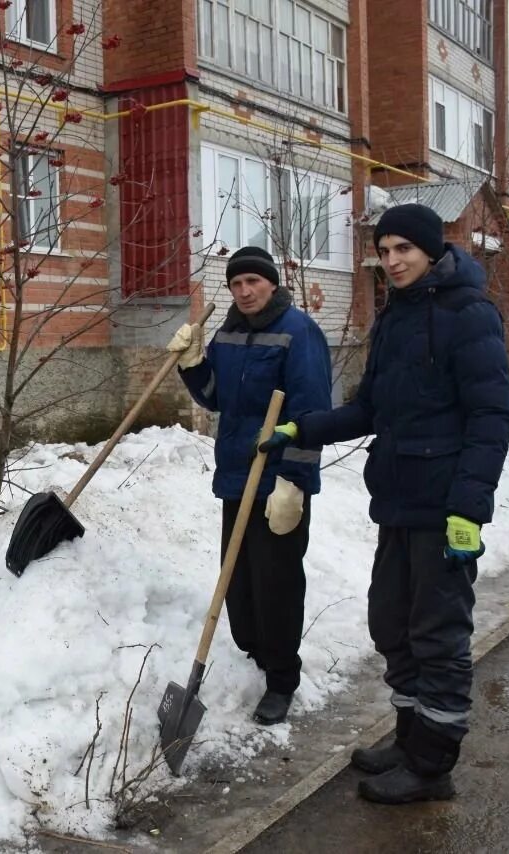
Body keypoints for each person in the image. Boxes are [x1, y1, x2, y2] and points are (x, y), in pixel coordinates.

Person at [260, 203, 509, 803]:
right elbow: (370, 409)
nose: (393, 260)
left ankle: (432, 768)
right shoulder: (396, 317)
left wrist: (468, 510)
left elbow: (491, 415)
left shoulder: (468, 314)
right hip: (397, 500)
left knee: (437, 636)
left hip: (444, 508)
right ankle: (410, 738)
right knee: (392, 626)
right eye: (385, 249)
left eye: (404, 248)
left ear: (430, 250)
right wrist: (304, 429)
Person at [173, 246, 333, 726]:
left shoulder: (299, 332)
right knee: (239, 583)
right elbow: (217, 398)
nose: (244, 292)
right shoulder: (229, 333)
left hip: (278, 481)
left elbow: (313, 414)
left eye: (253, 283)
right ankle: (255, 656)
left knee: (276, 585)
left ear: (271, 283)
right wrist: (193, 363)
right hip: (237, 476)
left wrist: (295, 481)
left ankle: (282, 680)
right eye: (236, 284)